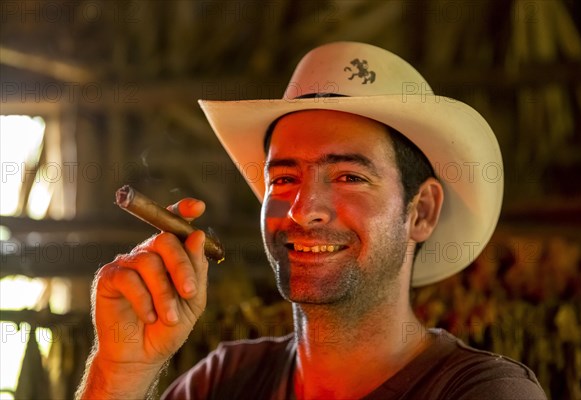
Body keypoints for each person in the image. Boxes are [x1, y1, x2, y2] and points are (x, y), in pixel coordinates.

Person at [77, 42, 546, 399]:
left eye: (348, 176)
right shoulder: (225, 381)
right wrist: (120, 371)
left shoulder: (481, 391)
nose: (302, 209)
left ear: (420, 211)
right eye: (283, 179)